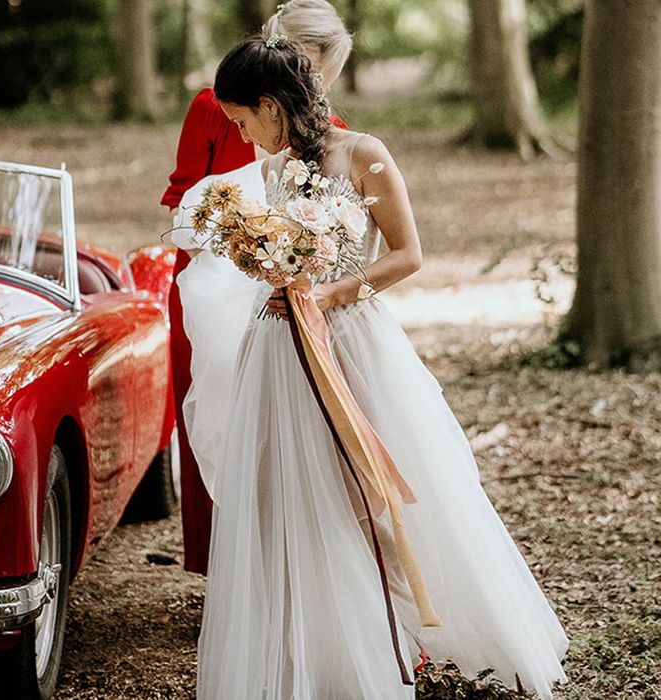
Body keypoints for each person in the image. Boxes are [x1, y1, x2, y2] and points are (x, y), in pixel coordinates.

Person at [190, 37, 569, 699]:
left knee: (373, 491)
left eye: (242, 118)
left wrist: (331, 295)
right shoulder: (276, 166)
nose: (239, 131)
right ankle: (321, 646)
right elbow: (279, 254)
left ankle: (402, 630)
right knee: (295, 494)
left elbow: (408, 255)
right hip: (280, 347)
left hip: (350, 340)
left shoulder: (364, 154)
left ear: (273, 106)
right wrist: (260, 262)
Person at [161, 0, 353, 577]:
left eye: (320, 73)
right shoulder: (214, 107)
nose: (310, 83)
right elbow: (180, 199)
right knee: (215, 412)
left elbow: (338, 227)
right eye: (302, 64)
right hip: (209, 280)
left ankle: (298, 565)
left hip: (291, 283)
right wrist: (237, 236)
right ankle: (226, 570)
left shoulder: (333, 132)